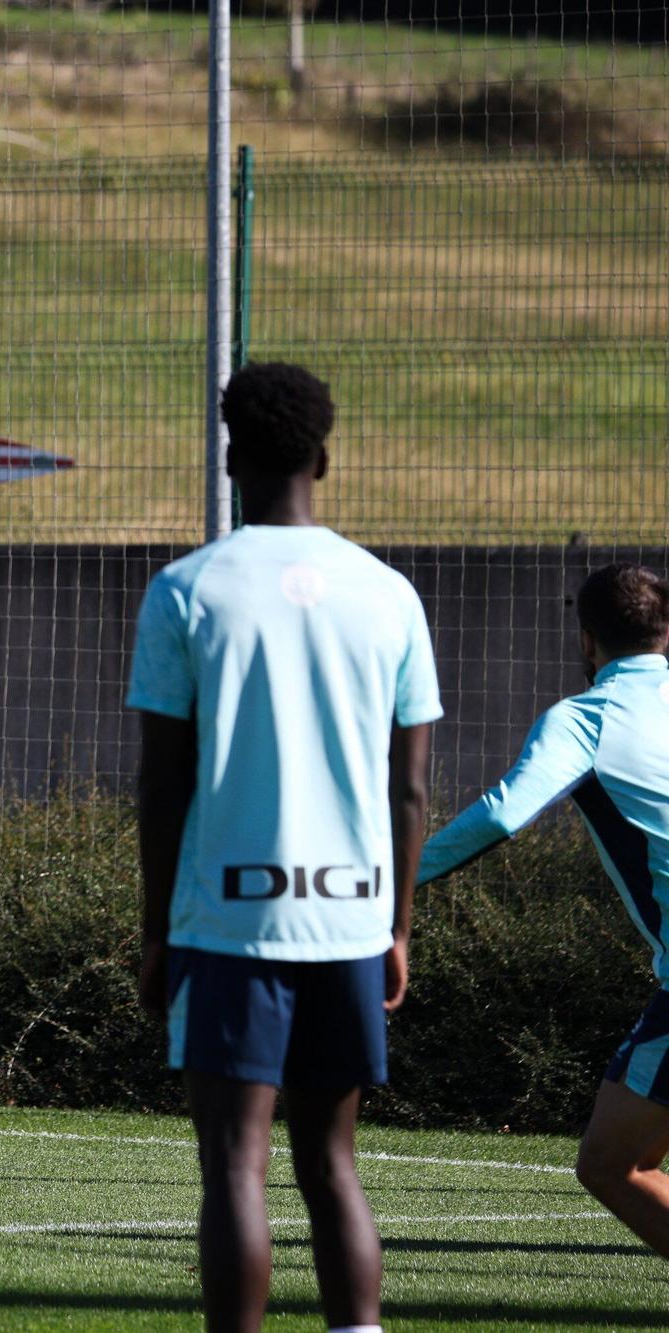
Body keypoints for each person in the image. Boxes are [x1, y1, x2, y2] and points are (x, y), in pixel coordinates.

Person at [128, 361, 438, 1333]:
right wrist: (395, 926)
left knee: (233, 1159)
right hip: (347, 916)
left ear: (229, 459)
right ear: (323, 456)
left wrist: (154, 932)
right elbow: (411, 787)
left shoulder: (185, 591)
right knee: (331, 1162)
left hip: (228, 919)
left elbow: (162, 783)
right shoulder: (387, 595)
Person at [418, 562, 669, 1258]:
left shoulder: (586, 719)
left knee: (612, 1165)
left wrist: (387, 878)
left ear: (586, 641)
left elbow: (501, 815)